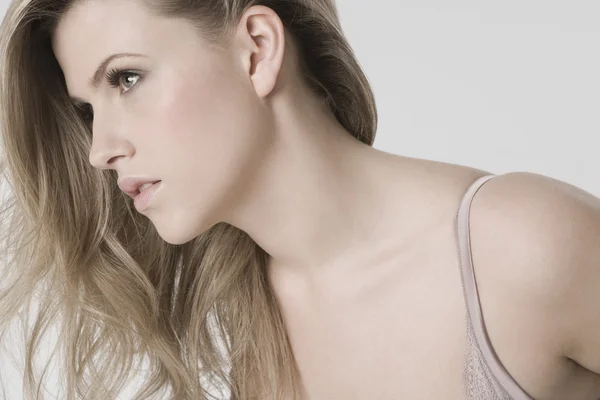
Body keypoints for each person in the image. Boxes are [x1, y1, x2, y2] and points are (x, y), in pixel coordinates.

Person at [0, 0, 598, 399]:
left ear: (257, 49)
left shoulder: (521, 247)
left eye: (126, 78)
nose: (98, 150)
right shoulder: (252, 328)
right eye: (87, 110)